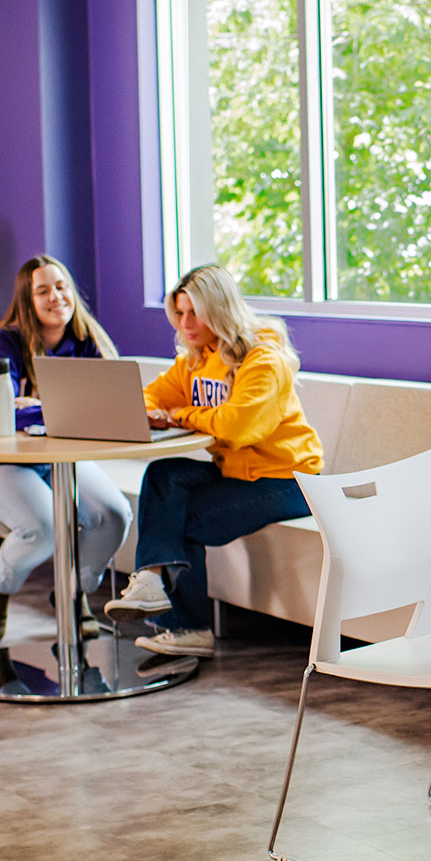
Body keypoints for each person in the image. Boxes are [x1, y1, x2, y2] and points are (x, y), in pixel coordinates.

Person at [104, 265, 323, 658]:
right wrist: (158, 411)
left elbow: (237, 427)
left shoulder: (263, 359)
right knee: (164, 475)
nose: (185, 324)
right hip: (237, 473)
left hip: (288, 481)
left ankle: (187, 626)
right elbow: (147, 397)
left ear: (219, 310)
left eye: (194, 314)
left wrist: (181, 415)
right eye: (180, 314)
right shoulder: (197, 360)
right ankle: (152, 583)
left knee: (178, 520)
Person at [0, 256, 134, 641]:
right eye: (43, 291)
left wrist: (38, 406)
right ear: (27, 301)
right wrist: (63, 408)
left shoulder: (87, 341)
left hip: (61, 460)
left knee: (113, 515)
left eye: (62, 287)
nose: (56, 297)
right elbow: (1, 417)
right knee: (43, 527)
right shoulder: (1, 344)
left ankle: (74, 594)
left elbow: (108, 406)